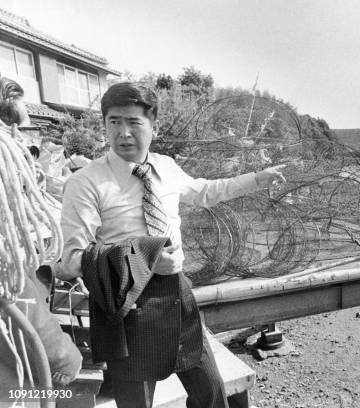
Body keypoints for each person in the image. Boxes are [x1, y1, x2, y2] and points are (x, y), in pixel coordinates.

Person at [59, 82, 286, 408]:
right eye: (114, 122)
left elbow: (206, 191)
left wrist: (257, 179)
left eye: (134, 123)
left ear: (154, 126)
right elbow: (72, 261)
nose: (123, 133)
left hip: (178, 294)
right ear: (105, 124)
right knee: (136, 402)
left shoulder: (165, 166)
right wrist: (144, 256)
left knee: (211, 393)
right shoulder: (86, 182)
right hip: (127, 304)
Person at [0, 77, 82, 393]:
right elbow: (57, 361)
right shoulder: (9, 265)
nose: (30, 148)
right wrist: (69, 362)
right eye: (22, 133)